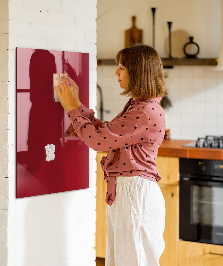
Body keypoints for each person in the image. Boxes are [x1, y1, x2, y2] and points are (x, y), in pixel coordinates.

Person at [54, 44, 168, 266]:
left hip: (135, 195)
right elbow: (106, 134)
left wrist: (70, 108)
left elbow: (98, 141)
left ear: (138, 72)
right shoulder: (140, 106)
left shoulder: (144, 111)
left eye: (122, 67)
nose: (116, 72)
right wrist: (76, 104)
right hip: (130, 193)